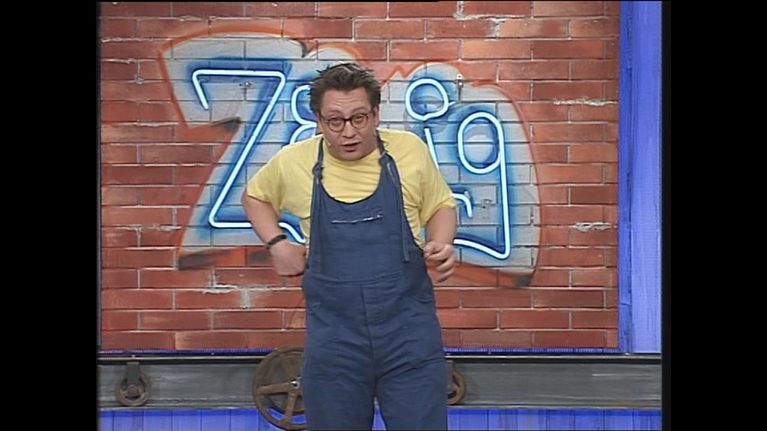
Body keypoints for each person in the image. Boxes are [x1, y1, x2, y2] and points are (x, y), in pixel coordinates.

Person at [241, 62, 457, 430]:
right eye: (335, 121)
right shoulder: (295, 162)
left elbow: (440, 205)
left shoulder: (408, 151)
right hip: (335, 343)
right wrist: (277, 244)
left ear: (376, 114)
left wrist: (441, 242)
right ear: (318, 120)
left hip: (408, 337)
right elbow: (254, 197)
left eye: (359, 118)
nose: (348, 132)